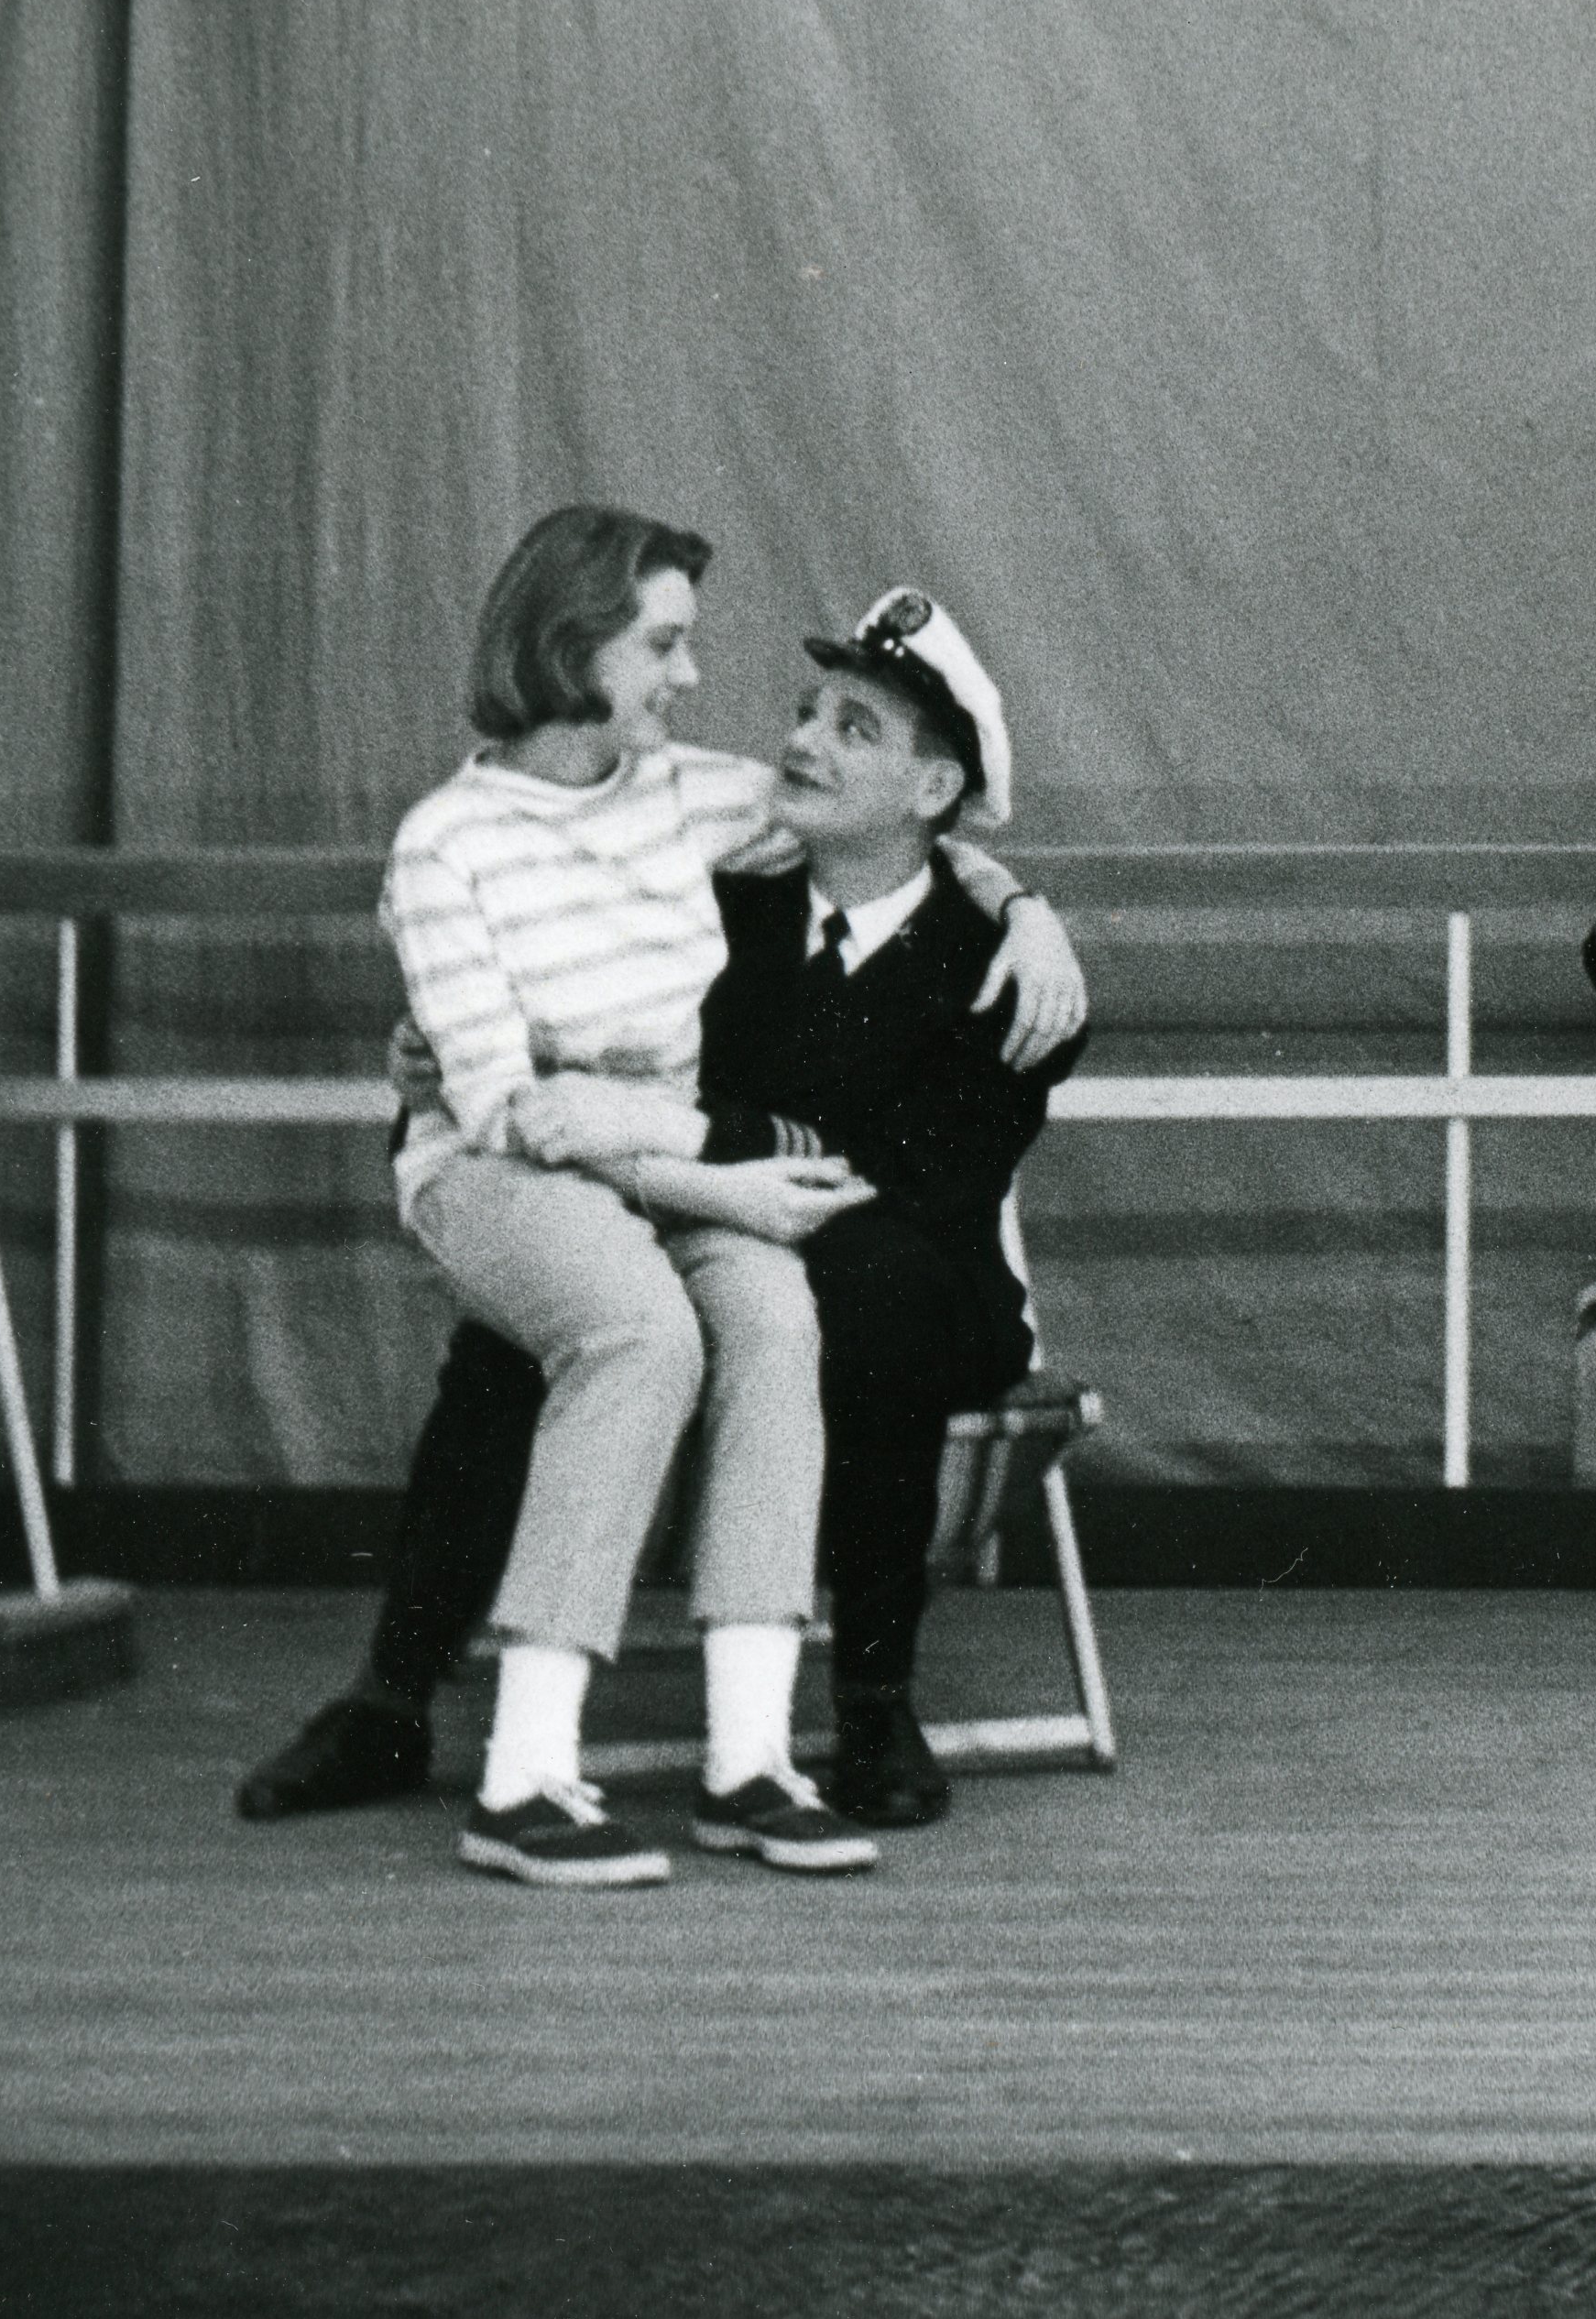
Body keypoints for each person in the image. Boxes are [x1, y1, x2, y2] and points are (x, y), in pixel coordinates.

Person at [242, 586, 1085, 1836]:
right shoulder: (716, 902)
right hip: (701, 1227)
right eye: (808, 711)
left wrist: (1018, 907)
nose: (802, 741)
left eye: (852, 728)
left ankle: (872, 1701)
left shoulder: (1004, 974)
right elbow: (570, 1034)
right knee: (522, 1334)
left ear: (930, 788)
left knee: (872, 1303)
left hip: (907, 1278)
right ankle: (391, 1695)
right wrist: (447, 1056)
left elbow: (904, 1179)